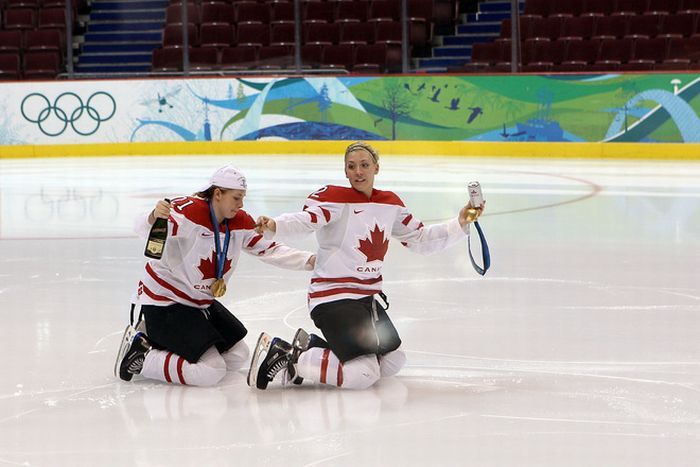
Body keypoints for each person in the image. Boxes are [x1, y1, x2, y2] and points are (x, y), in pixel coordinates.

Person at [247, 141, 484, 390]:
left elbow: (420, 238)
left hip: (365, 300)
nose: (358, 172)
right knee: (363, 374)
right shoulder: (334, 199)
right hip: (332, 297)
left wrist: (460, 222)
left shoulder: (389, 203)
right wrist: (275, 224)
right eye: (351, 167)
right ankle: (287, 355)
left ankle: (312, 348)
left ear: (376, 168)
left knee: (392, 362)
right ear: (345, 171)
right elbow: (307, 220)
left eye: (364, 165)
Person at [114, 165, 315, 387]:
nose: (241, 205)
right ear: (217, 194)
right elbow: (143, 228)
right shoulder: (188, 212)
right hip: (164, 302)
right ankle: (142, 355)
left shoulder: (239, 222)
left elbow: (270, 249)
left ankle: (163, 347)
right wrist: (153, 216)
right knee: (211, 371)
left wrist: (309, 261)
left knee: (239, 354)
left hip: (199, 304)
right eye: (237, 198)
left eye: (243, 198)